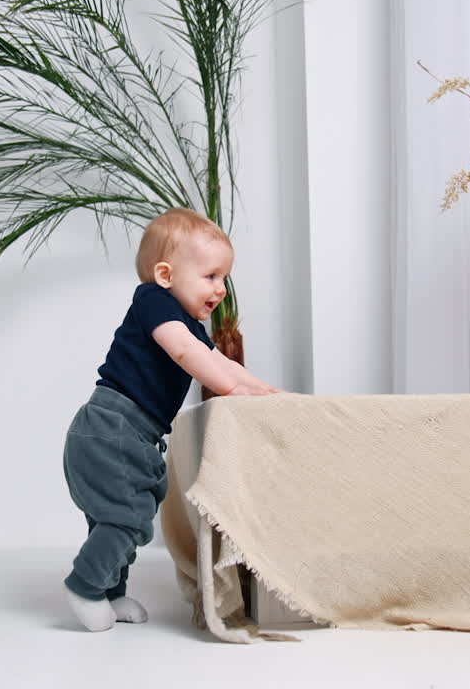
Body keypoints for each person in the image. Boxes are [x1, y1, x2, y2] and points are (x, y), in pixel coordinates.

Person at [62, 207, 279, 632]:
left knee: (121, 517)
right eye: (210, 276)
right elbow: (185, 354)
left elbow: (223, 363)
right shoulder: (153, 302)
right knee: (126, 518)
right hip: (111, 427)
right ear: (165, 275)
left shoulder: (190, 324)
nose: (220, 288)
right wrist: (230, 389)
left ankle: (111, 592)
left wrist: (265, 391)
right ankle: (84, 587)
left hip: (130, 434)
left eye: (224, 278)